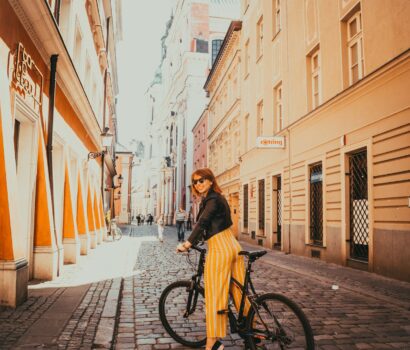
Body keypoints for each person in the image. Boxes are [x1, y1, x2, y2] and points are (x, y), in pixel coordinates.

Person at [176, 168, 249, 350]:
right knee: (238, 291)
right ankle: (251, 331)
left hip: (220, 249)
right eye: (195, 182)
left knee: (215, 295)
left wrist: (187, 243)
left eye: (201, 180)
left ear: (210, 180)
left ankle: (213, 343)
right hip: (233, 246)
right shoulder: (219, 198)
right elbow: (218, 223)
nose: (198, 184)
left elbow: (203, 222)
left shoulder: (212, 199)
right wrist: (200, 239)